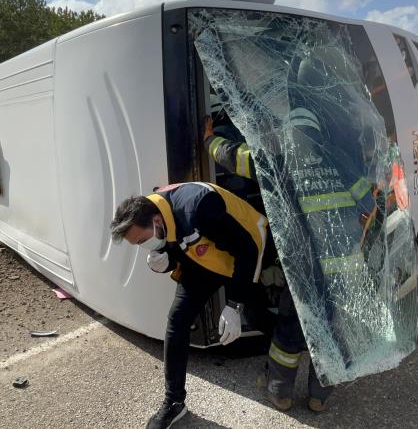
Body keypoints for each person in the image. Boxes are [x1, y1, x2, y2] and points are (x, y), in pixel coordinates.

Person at [110, 181, 274, 429]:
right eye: (137, 244)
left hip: (247, 248)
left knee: (256, 313)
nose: (143, 246)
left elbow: (246, 249)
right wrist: (167, 263)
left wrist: (234, 304)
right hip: (207, 258)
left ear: (156, 221)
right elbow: (176, 244)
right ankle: (174, 402)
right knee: (177, 321)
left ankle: (292, 354)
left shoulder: (198, 205)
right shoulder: (159, 215)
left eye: (143, 240)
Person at [203, 113, 337, 412]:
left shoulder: (281, 161)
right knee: (329, 329)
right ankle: (319, 397)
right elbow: (368, 200)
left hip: (303, 264)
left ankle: (280, 393)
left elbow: (234, 157)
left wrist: (210, 139)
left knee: (290, 326)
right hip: (342, 261)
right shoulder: (337, 161)